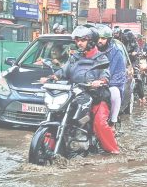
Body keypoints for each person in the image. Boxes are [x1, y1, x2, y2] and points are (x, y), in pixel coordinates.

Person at [41, 25, 119, 154]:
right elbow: (63, 71)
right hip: (75, 94)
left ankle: (114, 151)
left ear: (91, 41)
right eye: (77, 40)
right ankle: (50, 146)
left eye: (82, 40)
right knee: (56, 113)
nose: (79, 43)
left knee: (99, 123)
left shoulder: (101, 58)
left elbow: (105, 74)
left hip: (96, 96)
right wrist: (52, 77)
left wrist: (100, 81)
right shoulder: (75, 57)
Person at [96, 24, 126, 125]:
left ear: (108, 40)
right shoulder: (88, 51)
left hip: (107, 85)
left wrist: (104, 83)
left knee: (115, 93)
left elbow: (119, 75)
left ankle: (112, 122)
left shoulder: (116, 53)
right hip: (88, 85)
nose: (99, 41)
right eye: (98, 38)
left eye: (103, 38)